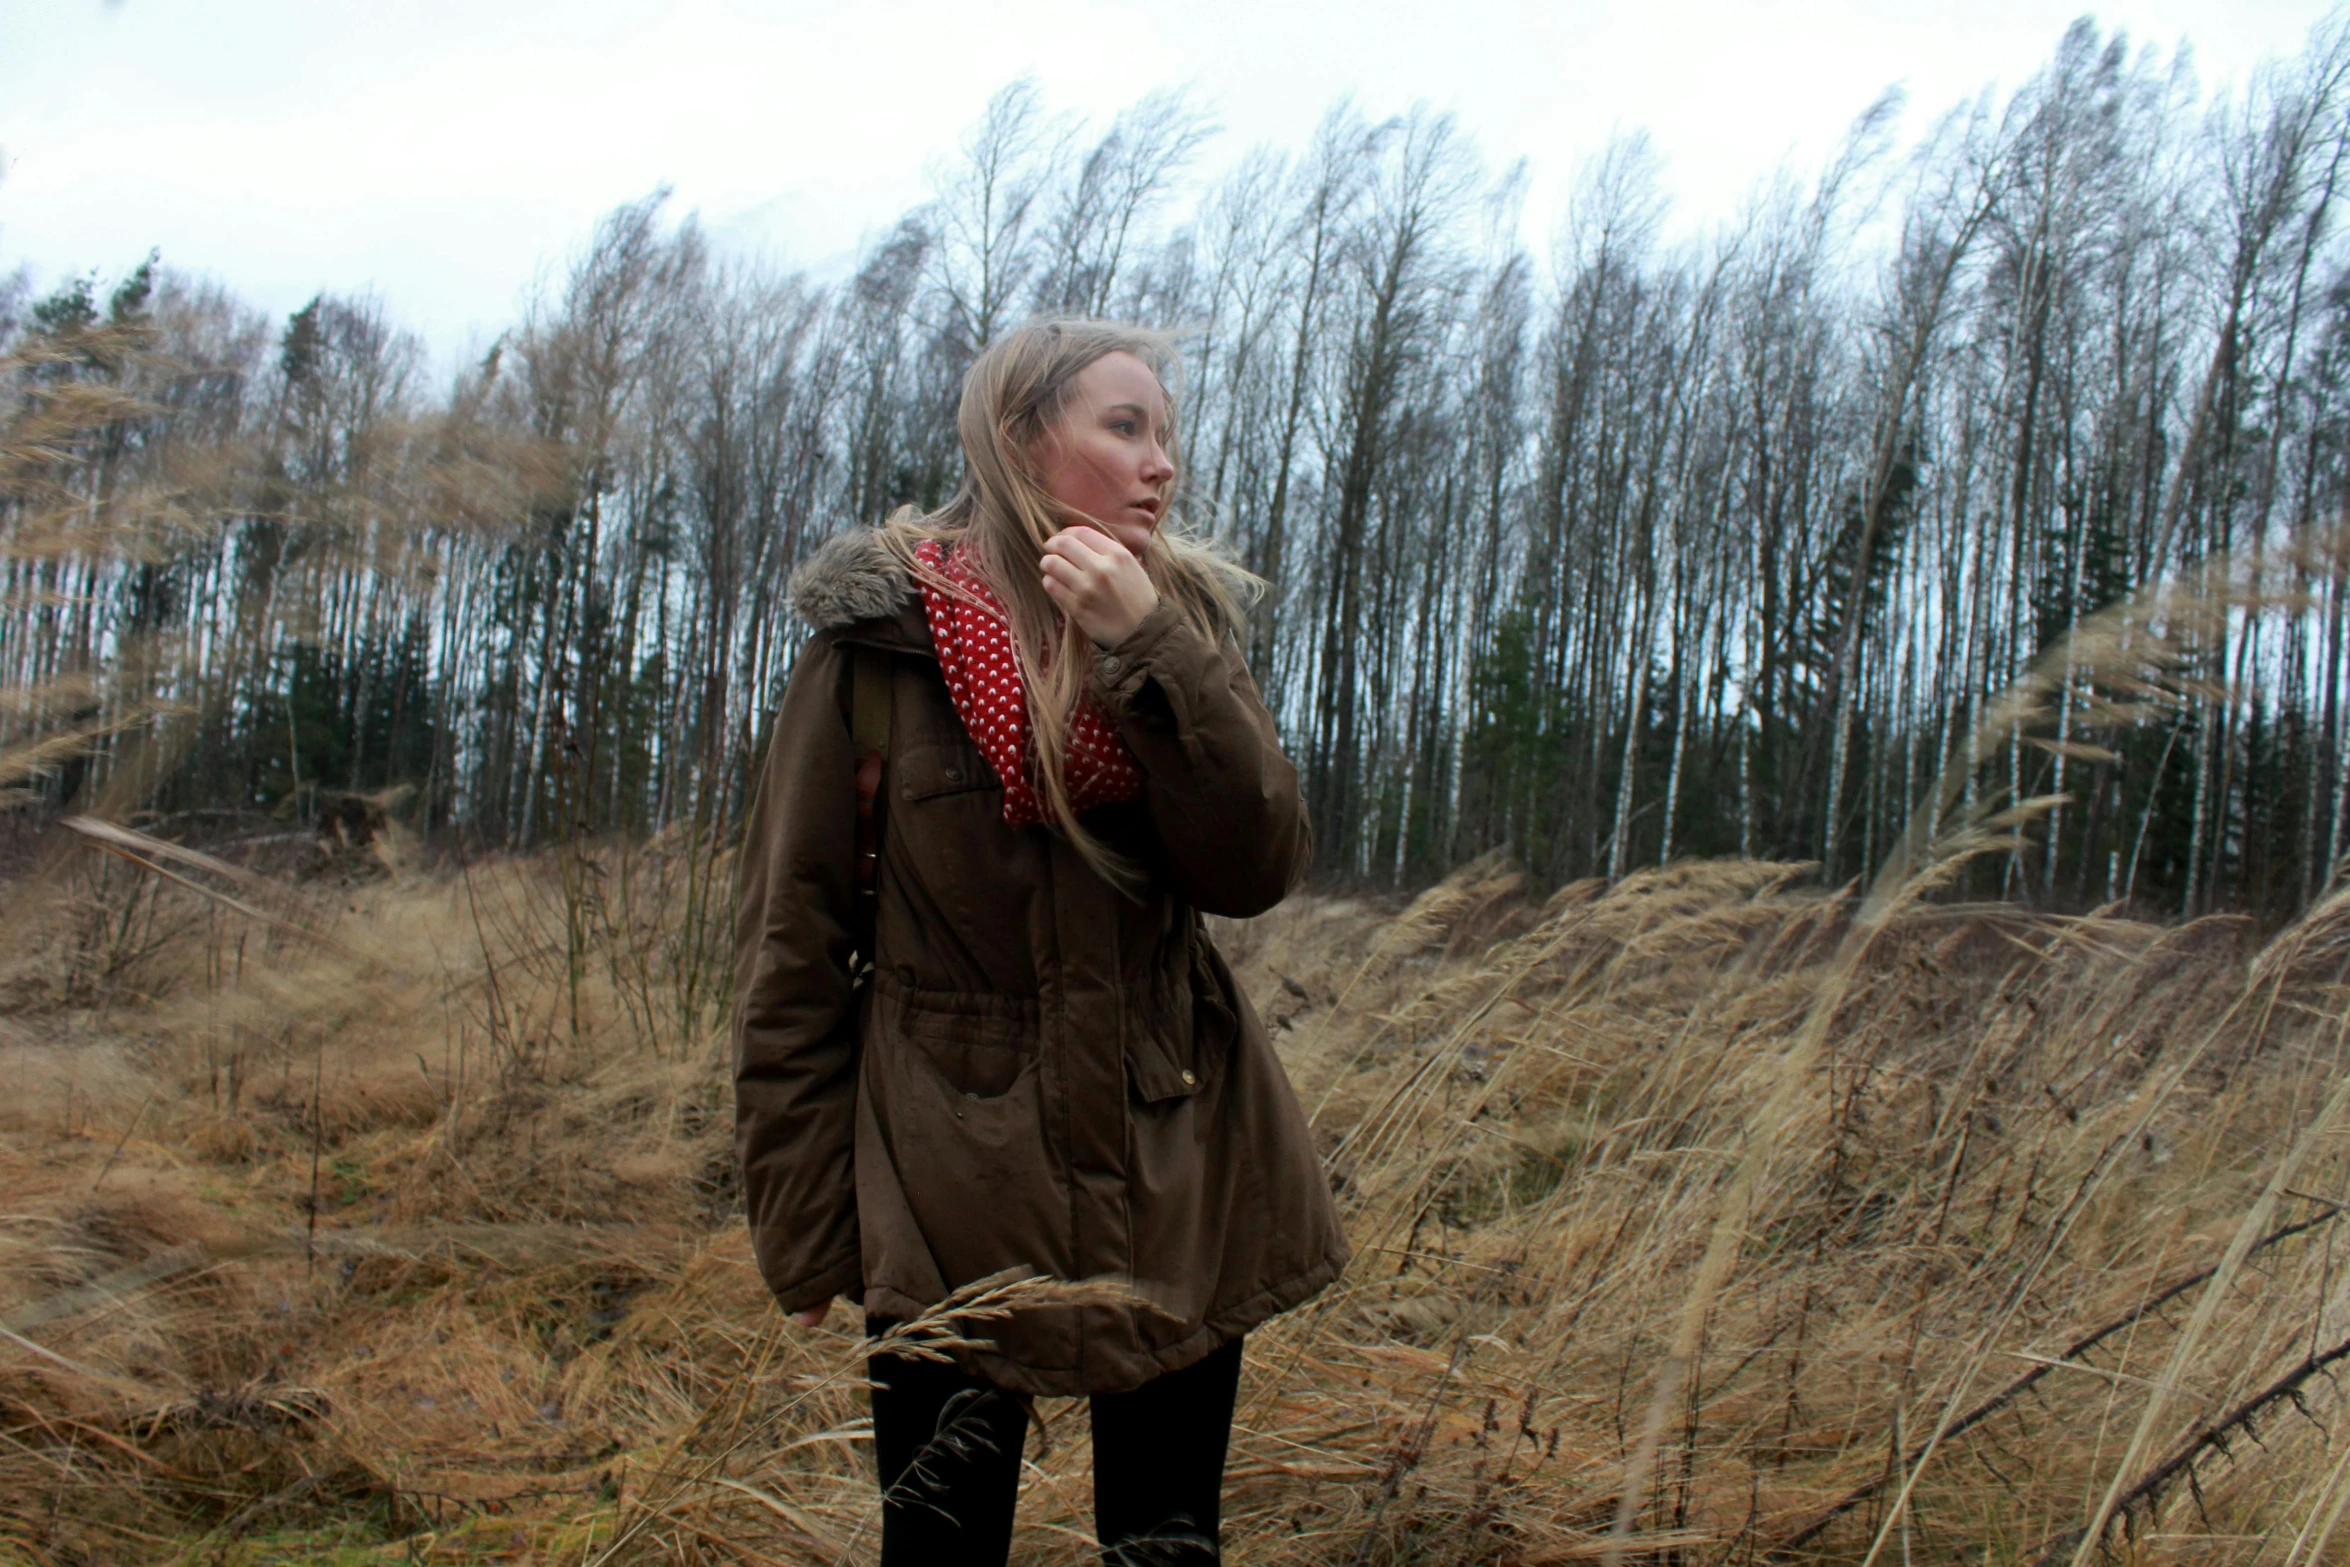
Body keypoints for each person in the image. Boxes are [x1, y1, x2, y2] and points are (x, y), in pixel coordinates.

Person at [731, 317, 1349, 1565]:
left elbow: (1254, 867)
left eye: (1165, 434)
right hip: (943, 1177)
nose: (1160, 464)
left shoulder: (1184, 628)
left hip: (1178, 1152)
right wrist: (801, 1225)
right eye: (1124, 427)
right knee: (941, 1546)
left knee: (1164, 1544)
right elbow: (791, 948)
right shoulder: (876, 652)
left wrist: (1150, 649)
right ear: (1021, 441)